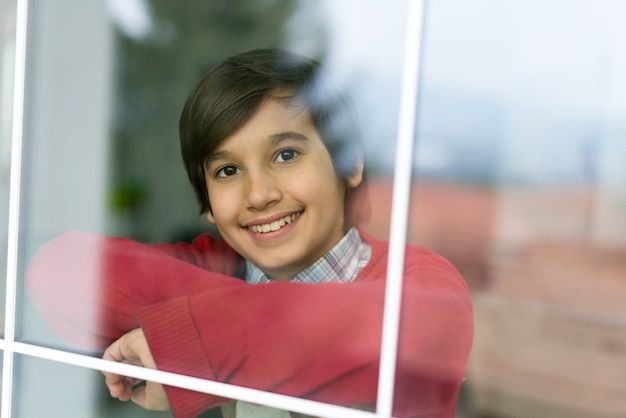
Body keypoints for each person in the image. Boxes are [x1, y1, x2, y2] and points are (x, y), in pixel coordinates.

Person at [26, 48, 473, 418]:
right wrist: (209, 345)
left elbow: (398, 334)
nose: (258, 195)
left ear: (349, 164)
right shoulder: (221, 266)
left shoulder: (422, 285)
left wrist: (190, 354)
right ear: (206, 205)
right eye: (227, 170)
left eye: (285, 155)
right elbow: (59, 273)